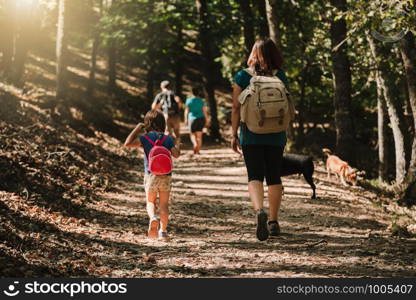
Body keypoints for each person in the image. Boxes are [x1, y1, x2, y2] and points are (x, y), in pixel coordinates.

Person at [231, 38, 292, 241]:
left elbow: (235, 107)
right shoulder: (280, 75)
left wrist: (233, 134)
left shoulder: (242, 76)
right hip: (276, 134)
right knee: (274, 176)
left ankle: (259, 211)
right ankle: (273, 221)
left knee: (254, 175)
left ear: (253, 53)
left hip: (251, 133)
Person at [124, 110, 180, 239]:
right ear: (163, 123)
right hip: (166, 175)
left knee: (150, 201)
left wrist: (138, 128)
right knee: (164, 204)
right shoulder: (168, 139)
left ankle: (153, 217)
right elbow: (176, 155)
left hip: (150, 175)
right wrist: (177, 143)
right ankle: (163, 231)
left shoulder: (145, 139)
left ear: (147, 123)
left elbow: (127, 144)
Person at [152, 80, 182, 145]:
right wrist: (178, 109)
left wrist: (160, 106)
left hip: (165, 115)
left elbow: (153, 107)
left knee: (167, 132)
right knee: (177, 132)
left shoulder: (160, 95)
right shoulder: (173, 93)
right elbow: (179, 102)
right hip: (175, 115)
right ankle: (177, 147)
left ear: (161, 87)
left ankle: (168, 148)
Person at [184, 87, 209, 154]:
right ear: (198, 93)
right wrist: (207, 120)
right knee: (199, 135)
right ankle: (198, 150)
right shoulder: (201, 101)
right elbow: (204, 111)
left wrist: (185, 119)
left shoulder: (188, 100)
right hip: (201, 119)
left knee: (192, 134)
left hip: (192, 119)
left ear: (191, 93)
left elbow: (186, 111)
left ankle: (195, 144)